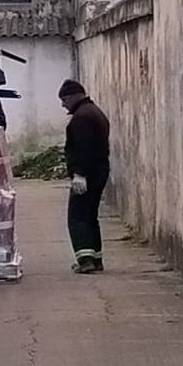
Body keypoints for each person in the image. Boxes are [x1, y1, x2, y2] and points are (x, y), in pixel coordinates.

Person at [59, 79, 111, 274]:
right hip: (99, 171)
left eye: (64, 99)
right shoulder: (94, 112)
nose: (63, 104)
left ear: (74, 96)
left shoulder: (81, 118)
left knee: (78, 216)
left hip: (88, 175)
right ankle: (96, 259)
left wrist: (79, 174)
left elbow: (82, 147)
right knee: (90, 216)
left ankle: (85, 260)